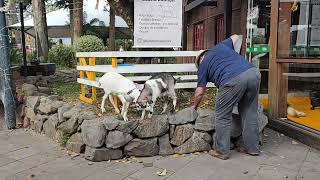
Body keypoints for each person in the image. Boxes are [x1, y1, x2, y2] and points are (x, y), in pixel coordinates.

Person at [191, 34, 261, 160]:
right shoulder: (221, 46)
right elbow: (236, 36)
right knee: (249, 112)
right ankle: (253, 148)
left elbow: (199, 92)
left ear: (200, 59)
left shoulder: (203, 65)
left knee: (222, 115)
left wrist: (194, 107)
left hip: (232, 80)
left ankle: (221, 150)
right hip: (253, 73)